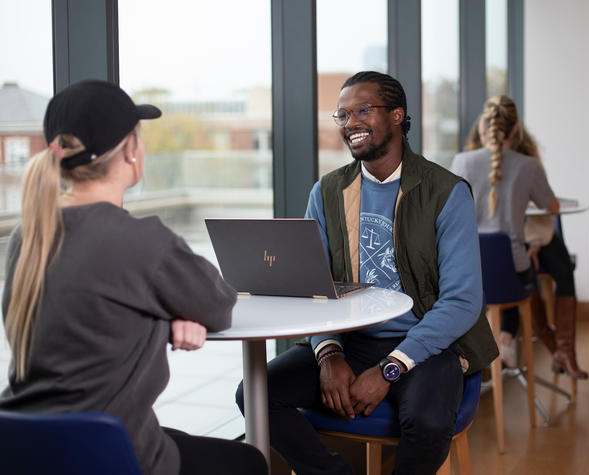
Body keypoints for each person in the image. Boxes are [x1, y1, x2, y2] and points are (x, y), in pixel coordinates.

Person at [236, 71, 497, 475]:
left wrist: (390, 369)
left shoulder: (445, 192)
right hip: (353, 340)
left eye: (362, 110)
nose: (350, 123)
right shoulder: (326, 192)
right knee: (254, 394)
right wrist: (329, 353)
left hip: (428, 342)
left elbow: (462, 302)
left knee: (428, 423)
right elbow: (313, 288)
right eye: (341, 115)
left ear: (397, 115)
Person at [0, 80, 267, 475]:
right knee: (248, 463)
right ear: (130, 151)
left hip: (24, 444)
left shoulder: (29, 234)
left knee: (181, 438)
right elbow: (219, 306)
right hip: (104, 453)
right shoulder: (143, 241)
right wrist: (168, 313)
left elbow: (85, 311)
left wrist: (155, 314)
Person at [451, 95, 588, 380]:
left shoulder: (461, 162)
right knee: (532, 276)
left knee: (526, 274)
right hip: (512, 271)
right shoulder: (528, 166)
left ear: (482, 128)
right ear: (515, 130)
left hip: (468, 274)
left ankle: (521, 346)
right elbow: (552, 207)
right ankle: (556, 348)